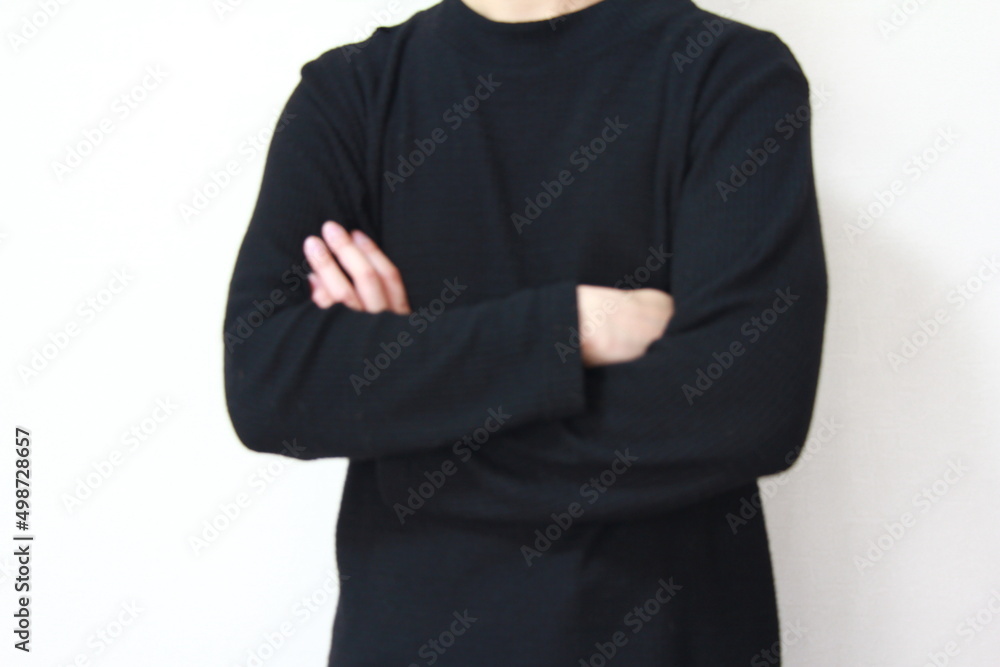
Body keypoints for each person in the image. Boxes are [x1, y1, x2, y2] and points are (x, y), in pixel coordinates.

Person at [222, 0, 828, 664]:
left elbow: (748, 408)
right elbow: (267, 384)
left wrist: (408, 423)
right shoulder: (349, 92)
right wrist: (572, 325)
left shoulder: (730, 74)